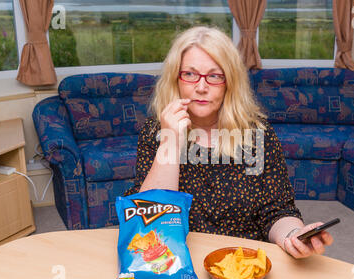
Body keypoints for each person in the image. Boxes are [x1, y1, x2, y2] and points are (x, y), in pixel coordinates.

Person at [124, 26, 333, 259]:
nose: (201, 87)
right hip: (179, 261)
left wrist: (293, 234)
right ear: (176, 79)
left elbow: (277, 210)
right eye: (190, 74)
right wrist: (170, 142)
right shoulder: (157, 131)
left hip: (243, 264)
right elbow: (150, 221)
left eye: (214, 76)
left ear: (229, 82)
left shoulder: (258, 134)